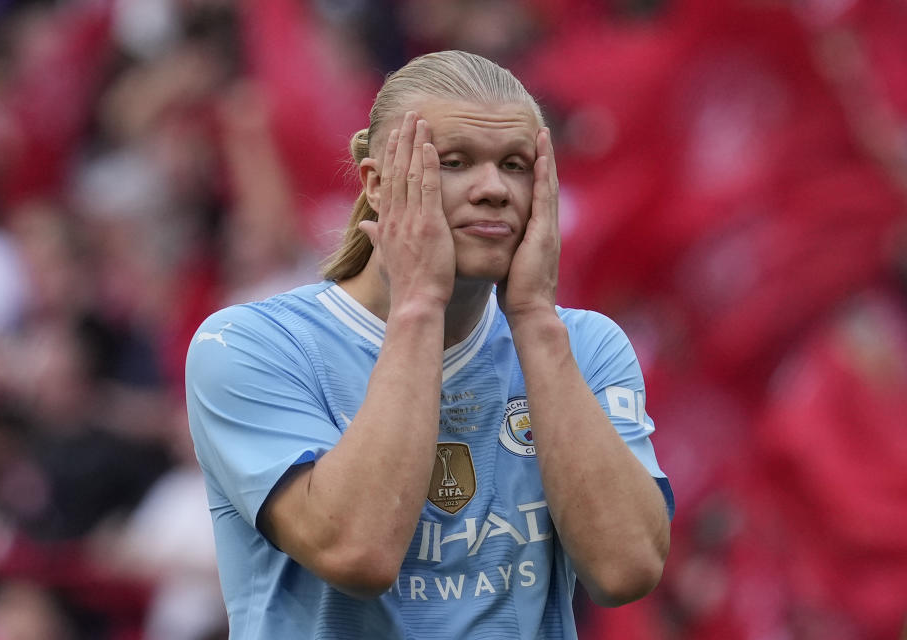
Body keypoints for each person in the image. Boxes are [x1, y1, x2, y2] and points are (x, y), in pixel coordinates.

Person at [185, 50, 674, 639]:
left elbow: (627, 570)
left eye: (516, 165)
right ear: (375, 183)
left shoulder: (586, 346)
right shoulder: (251, 346)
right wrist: (419, 304)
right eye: (455, 162)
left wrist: (535, 318)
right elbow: (356, 551)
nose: (493, 189)